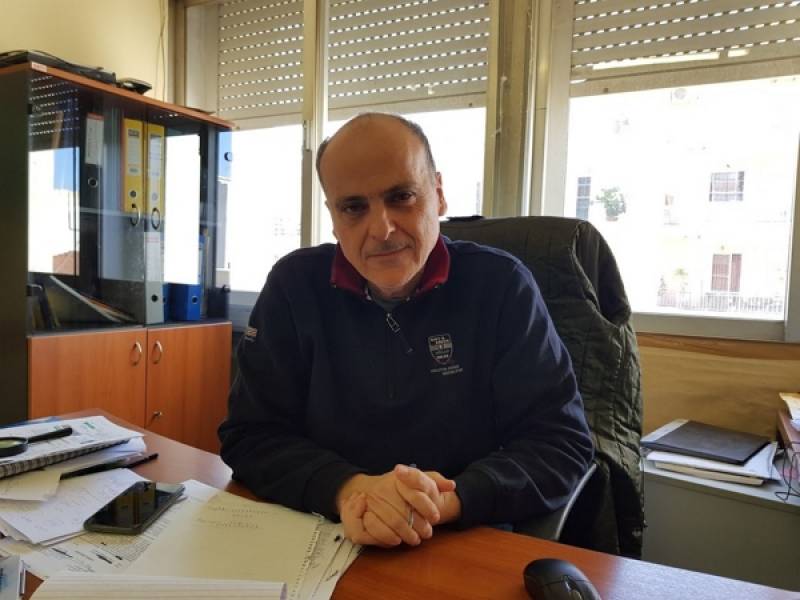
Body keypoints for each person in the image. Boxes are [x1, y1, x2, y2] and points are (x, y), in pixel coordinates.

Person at [219, 113, 593, 548]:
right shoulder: (293, 286)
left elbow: (560, 443)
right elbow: (251, 435)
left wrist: (442, 501)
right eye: (353, 207)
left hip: (463, 537)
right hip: (327, 535)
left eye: (402, 197)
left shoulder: (502, 286)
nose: (381, 229)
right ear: (333, 217)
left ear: (438, 194)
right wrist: (351, 490)